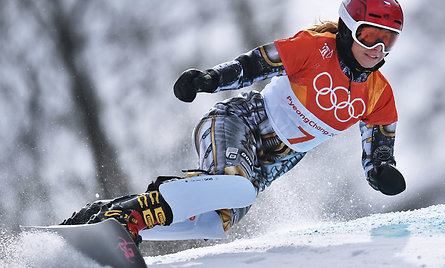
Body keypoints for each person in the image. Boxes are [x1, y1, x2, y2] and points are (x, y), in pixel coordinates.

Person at [62, 0, 406, 245]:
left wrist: (381, 172)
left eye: (387, 39)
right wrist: (209, 79)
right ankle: (127, 219)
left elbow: (378, 152)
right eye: (368, 35)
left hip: (269, 165)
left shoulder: (379, 94)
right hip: (239, 122)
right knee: (233, 187)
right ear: (347, 29)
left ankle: (106, 216)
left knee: (215, 221)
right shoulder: (315, 49)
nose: (377, 48)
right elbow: (253, 64)